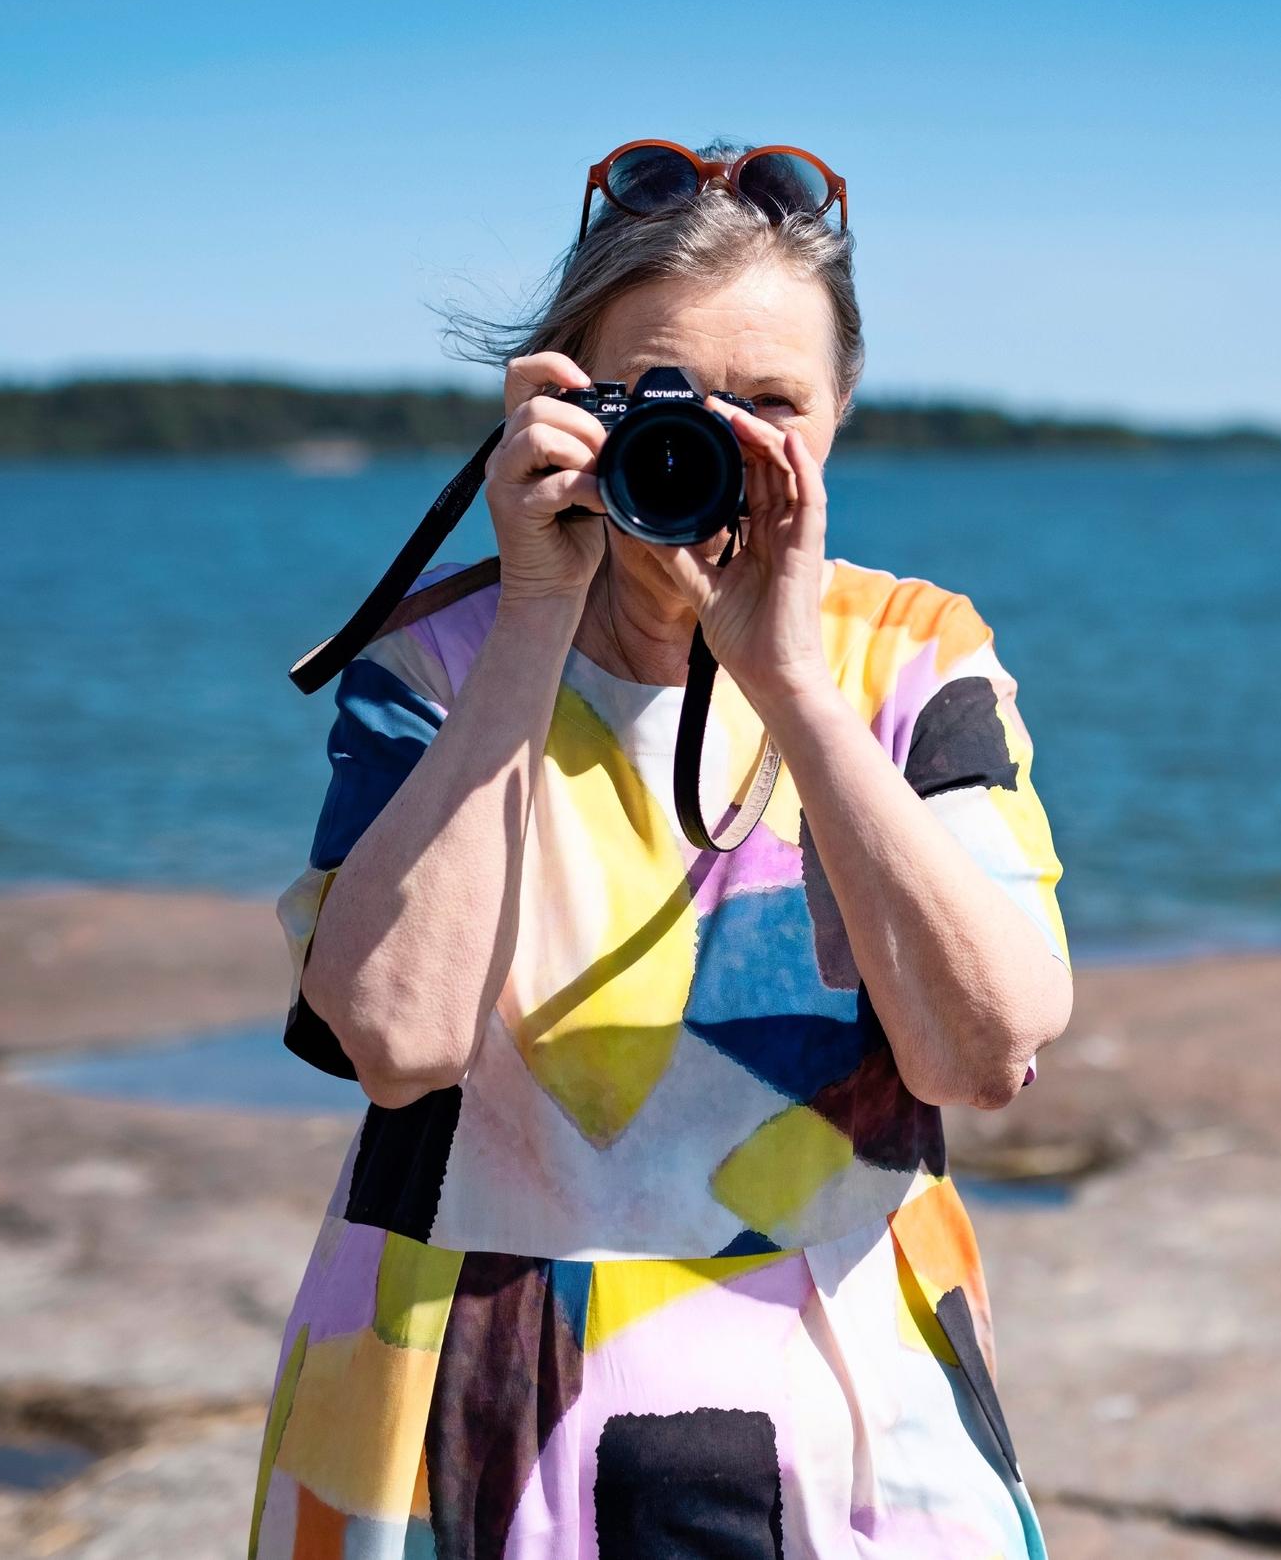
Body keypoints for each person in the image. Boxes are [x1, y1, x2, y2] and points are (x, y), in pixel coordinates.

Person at [246, 139, 1073, 1560]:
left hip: (849, 1390)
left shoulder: (911, 659)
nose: (720, 446)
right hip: (461, 1390)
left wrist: (794, 685)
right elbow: (394, 1037)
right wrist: (528, 615)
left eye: (774, 406)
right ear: (562, 400)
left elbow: (982, 1053)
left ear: (841, 416)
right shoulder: (439, 663)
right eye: (669, 400)